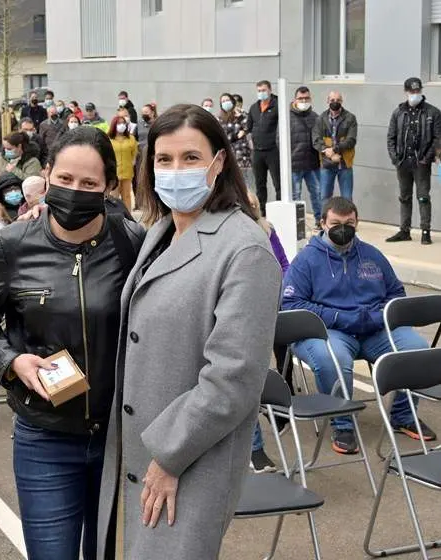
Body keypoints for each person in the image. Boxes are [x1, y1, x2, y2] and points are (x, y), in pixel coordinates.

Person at [95, 104, 281, 559]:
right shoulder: (160, 232)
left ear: (219, 163)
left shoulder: (244, 250)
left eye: (191, 158)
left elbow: (233, 378)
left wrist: (170, 456)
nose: (176, 170)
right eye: (164, 159)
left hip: (190, 457)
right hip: (145, 450)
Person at [0, 126, 146, 560]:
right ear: (47, 175)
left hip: (118, 436)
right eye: (64, 179)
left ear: (106, 186)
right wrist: (11, 361)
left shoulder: (129, 241)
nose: (75, 191)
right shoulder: (12, 244)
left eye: (88, 183)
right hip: (45, 437)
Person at [282, 196, 436, 453]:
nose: (343, 228)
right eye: (335, 223)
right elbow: (291, 305)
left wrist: (375, 317)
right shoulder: (306, 261)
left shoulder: (372, 255)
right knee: (333, 358)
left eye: (349, 223)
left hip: (373, 330)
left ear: (357, 223)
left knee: (416, 349)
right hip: (329, 331)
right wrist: (338, 317)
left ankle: (403, 415)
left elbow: (396, 294)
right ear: (322, 223)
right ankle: (342, 423)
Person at [244, 190, 290, 473]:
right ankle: (255, 449)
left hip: (269, 305)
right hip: (240, 313)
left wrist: (279, 290)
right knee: (244, 379)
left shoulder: (267, 230)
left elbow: (284, 264)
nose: (249, 208)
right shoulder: (225, 235)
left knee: (285, 340)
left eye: (253, 204)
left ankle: (281, 401)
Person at [386, 77, 440, 245]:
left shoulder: (433, 112)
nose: (415, 94)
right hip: (403, 162)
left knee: (423, 197)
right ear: (406, 92)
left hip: (421, 163)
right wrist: (395, 158)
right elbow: (391, 137)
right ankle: (404, 230)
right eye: (411, 91)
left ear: (421, 91)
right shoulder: (399, 112)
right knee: (404, 197)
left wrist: (426, 159)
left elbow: (438, 139)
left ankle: (425, 231)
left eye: (417, 91)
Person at [313, 90, 357, 209]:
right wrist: (330, 154)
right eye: (332, 100)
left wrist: (334, 149)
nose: (335, 102)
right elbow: (316, 140)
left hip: (344, 165)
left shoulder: (350, 118)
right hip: (327, 165)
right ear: (327, 101)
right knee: (325, 197)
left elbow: (351, 140)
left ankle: (348, 225)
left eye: (338, 100)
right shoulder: (320, 119)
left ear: (342, 102)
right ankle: (325, 224)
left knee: (347, 198)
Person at [245, 80, 281, 215]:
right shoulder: (254, 108)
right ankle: (262, 212)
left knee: (278, 184)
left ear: (270, 90)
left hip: (273, 151)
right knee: (260, 184)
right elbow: (248, 128)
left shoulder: (277, 105)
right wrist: (250, 141)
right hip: (258, 152)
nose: (261, 93)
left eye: (264, 90)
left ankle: (279, 211)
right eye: (259, 91)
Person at [289, 86, 321, 224]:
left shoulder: (315, 117)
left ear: (310, 99)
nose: (303, 101)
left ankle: (320, 221)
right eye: (300, 98)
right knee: (295, 196)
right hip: (294, 165)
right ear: (295, 100)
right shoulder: (287, 117)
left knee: (317, 193)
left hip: (312, 165)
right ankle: (297, 225)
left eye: (306, 98)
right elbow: (280, 140)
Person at [108, 115, 137, 211]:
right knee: (114, 197)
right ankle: (115, 216)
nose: (122, 125)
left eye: (123, 123)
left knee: (127, 196)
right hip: (114, 173)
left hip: (127, 172)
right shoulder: (109, 139)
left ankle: (128, 216)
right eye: (119, 123)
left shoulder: (131, 138)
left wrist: (131, 163)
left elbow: (134, 154)